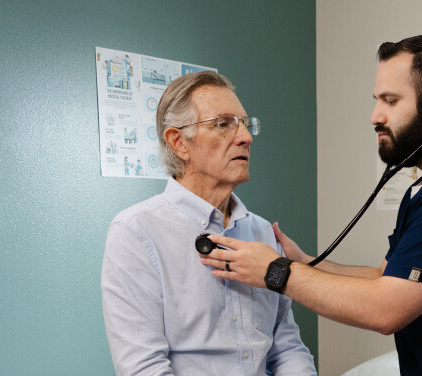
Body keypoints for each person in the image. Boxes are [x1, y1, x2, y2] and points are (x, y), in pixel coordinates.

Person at [199, 35, 422, 375]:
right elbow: (387, 278)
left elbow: (384, 309)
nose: (376, 115)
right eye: (377, 100)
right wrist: (304, 262)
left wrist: (275, 272)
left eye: (390, 101)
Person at [101, 71, 316, 376]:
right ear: (179, 143)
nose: (245, 137)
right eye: (223, 124)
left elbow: (287, 348)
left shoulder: (263, 233)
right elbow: (144, 368)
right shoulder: (135, 233)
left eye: (244, 123)